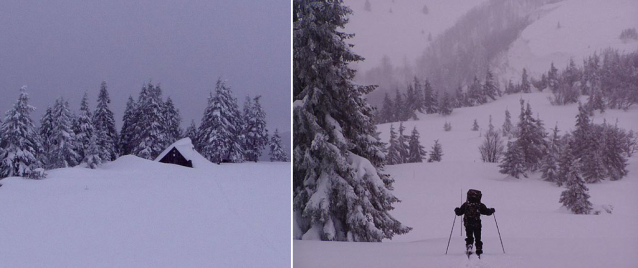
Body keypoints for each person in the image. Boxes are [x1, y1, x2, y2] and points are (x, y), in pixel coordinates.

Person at [454, 189, 495, 255]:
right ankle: (478, 248)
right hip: (477, 223)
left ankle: (469, 245)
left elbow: (459, 213)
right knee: (478, 237)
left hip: (468, 223)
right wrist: (492, 210)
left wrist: (456, 210)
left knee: (469, 236)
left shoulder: (466, 204)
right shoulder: (479, 205)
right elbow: (487, 212)